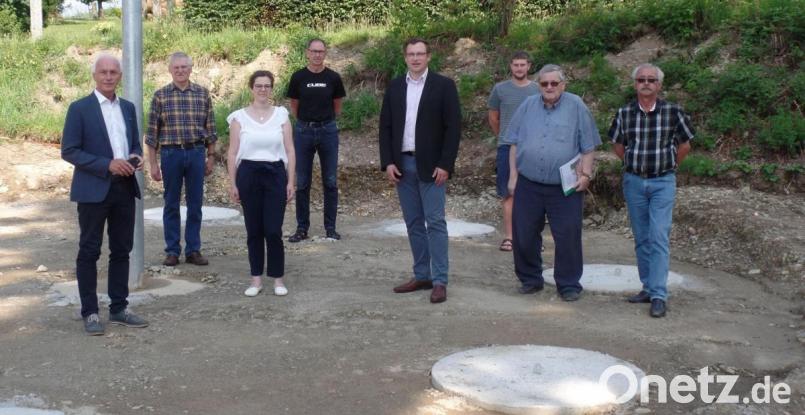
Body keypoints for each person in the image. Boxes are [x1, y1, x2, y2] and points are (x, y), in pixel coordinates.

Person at [61, 53, 149, 335]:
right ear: (95, 75)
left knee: (122, 250)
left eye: (114, 72)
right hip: (93, 189)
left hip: (124, 188)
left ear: (120, 76)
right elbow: (69, 150)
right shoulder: (80, 108)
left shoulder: (128, 107)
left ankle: (119, 308)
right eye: (104, 72)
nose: (109, 76)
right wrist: (107, 164)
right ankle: (90, 312)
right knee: (89, 250)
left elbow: (133, 142)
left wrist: (136, 156)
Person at [504, 64, 600, 302]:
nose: (549, 87)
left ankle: (568, 284)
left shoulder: (576, 105)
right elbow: (514, 143)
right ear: (539, 85)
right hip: (529, 183)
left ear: (563, 85)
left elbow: (588, 146)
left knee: (567, 235)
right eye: (544, 83)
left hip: (564, 187)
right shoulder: (527, 106)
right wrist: (513, 177)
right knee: (524, 234)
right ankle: (530, 279)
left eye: (554, 83)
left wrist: (586, 175)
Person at [379, 38, 461, 304]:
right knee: (413, 223)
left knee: (435, 223)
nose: (415, 58)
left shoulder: (444, 86)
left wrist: (446, 164)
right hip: (403, 165)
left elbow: (453, 128)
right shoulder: (394, 87)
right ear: (405, 57)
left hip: (432, 166)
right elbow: (386, 127)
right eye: (411, 54)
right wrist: (388, 161)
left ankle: (439, 281)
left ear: (428, 57)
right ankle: (422, 274)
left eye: (420, 54)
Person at [609, 63, 694, 318]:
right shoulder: (624, 112)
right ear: (635, 84)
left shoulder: (673, 112)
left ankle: (659, 294)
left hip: (662, 182)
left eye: (651, 80)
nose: (646, 83)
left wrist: (669, 166)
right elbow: (618, 144)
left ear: (659, 85)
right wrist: (631, 164)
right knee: (642, 237)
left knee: (658, 236)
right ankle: (647, 287)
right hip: (634, 182)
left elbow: (685, 145)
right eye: (641, 79)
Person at [226, 70, 296, 297]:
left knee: (273, 230)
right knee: (254, 229)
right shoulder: (239, 118)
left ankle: (278, 279)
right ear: (251, 88)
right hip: (248, 173)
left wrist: (291, 180)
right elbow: (232, 152)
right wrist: (233, 183)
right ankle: (255, 279)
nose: (263, 89)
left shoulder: (281, 115)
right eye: (259, 85)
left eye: (267, 86)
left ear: (272, 89)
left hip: (275, 174)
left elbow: (290, 150)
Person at [145, 51, 217, 267]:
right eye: (176, 67)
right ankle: (172, 251)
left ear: (191, 69)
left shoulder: (203, 95)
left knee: (195, 204)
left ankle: (193, 250)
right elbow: (151, 134)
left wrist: (210, 156)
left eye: (184, 67)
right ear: (170, 70)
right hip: (170, 154)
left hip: (196, 153)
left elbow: (211, 129)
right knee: (171, 203)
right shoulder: (160, 96)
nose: (180, 71)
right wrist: (153, 163)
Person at [286, 39, 346, 242]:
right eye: (314, 51)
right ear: (307, 53)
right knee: (302, 182)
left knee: (330, 181)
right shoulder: (298, 77)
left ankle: (330, 228)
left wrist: (325, 121)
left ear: (325, 53)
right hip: (303, 131)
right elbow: (294, 105)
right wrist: (305, 122)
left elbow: (337, 105)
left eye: (321, 51)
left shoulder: (333, 77)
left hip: (328, 131)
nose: (317, 55)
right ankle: (302, 228)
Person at [487, 51, 539, 252]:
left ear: (529, 66)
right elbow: (493, 118)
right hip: (506, 147)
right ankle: (509, 237)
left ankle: (532, 238)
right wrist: (505, 137)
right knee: (509, 193)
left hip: (533, 148)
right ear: (511, 66)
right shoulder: (500, 89)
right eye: (516, 64)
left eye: (522, 64)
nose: (519, 68)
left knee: (534, 195)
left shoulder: (537, 89)